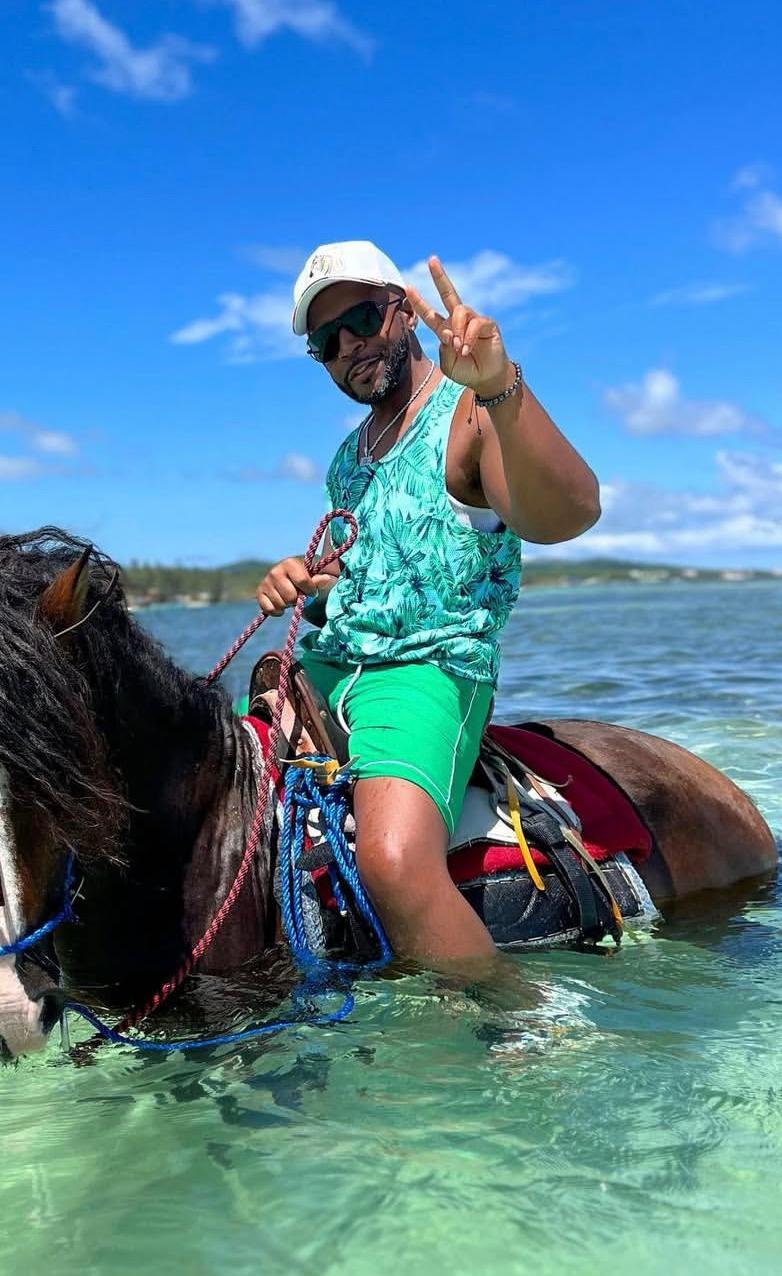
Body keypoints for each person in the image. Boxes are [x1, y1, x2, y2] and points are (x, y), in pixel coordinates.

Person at [257, 240, 601, 978]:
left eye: (359, 318)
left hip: (425, 670)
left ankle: (516, 1020)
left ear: (405, 310)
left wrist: (501, 386)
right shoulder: (348, 457)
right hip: (331, 662)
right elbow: (377, 561)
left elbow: (565, 514)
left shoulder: (470, 412)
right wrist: (311, 580)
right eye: (325, 339)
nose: (347, 345)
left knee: (391, 863)